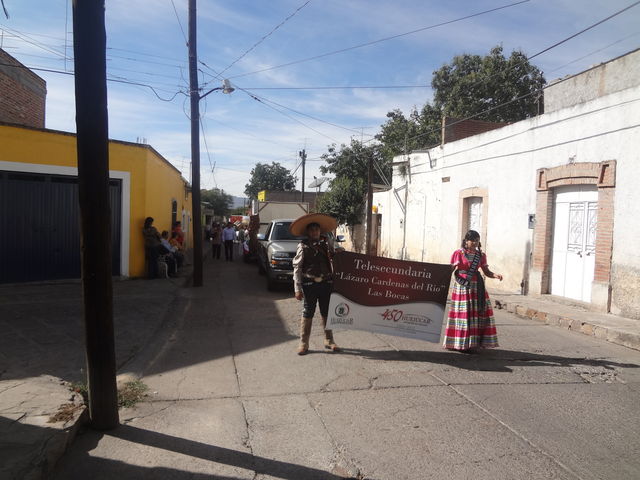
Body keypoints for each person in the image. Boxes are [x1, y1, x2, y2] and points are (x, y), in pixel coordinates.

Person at [443, 230, 503, 352]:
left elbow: (486, 272)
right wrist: (439, 275)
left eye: (477, 240)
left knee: (476, 314)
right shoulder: (458, 253)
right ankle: (459, 343)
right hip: (462, 287)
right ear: (466, 241)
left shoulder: (481, 255)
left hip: (477, 288)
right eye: (473, 240)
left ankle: (472, 344)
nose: (475, 243)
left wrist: (495, 275)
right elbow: (451, 269)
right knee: (463, 314)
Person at [291, 213, 339, 355]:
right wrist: (297, 289)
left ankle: (329, 340)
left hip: (326, 283)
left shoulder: (327, 242)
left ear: (320, 231)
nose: (315, 232)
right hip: (309, 284)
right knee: (308, 312)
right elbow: (297, 268)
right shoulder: (302, 246)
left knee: (326, 312)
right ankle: (304, 343)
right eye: (312, 230)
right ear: (308, 232)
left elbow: (336, 253)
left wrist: (339, 252)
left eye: (316, 229)